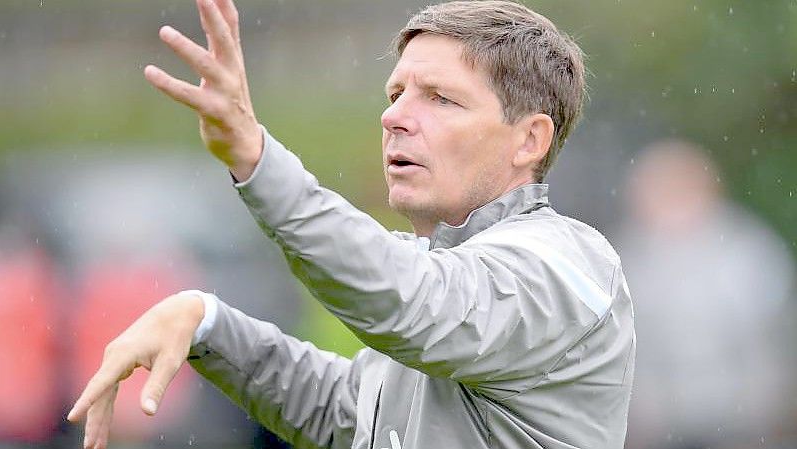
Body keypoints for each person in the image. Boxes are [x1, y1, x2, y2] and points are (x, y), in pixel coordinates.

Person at [67, 1, 636, 448]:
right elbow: (348, 417)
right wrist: (208, 324)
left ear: (529, 140)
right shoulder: (438, 266)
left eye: (440, 99)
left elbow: (415, 303)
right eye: (396, 94)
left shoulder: (566, 265)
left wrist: (256, 158)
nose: (393, 116)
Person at [617, 140, 796, 449]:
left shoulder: (747, 255)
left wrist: (765, 414)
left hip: (740, 427)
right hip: (658, 431)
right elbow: (622, 351)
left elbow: (772, 341)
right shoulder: (626, 261)